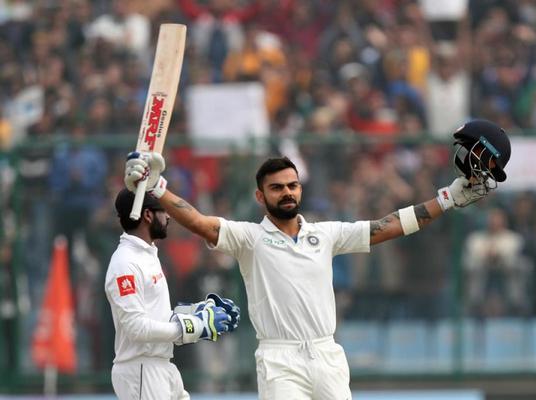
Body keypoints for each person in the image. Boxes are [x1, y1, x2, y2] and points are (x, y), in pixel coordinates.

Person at [124, 119, 511, 399]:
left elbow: (389, 226)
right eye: (277, 188)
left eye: (292, 185)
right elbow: (198, 221)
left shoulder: (325, 235)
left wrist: (448, 198)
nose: (287, 193)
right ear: (261, 196)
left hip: (326, 354)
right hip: (279, 358)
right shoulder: (249, 238)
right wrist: (156, 187)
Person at [105, 188, 241, 400]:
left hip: (162, 366)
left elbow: (157, 316)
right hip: (142, 370)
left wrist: (198, 312)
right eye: (163, 211)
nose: (168, 216)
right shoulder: (126, 263)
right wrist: (196, 325)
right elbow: (135, 327)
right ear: (148, 215)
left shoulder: (147, 254)